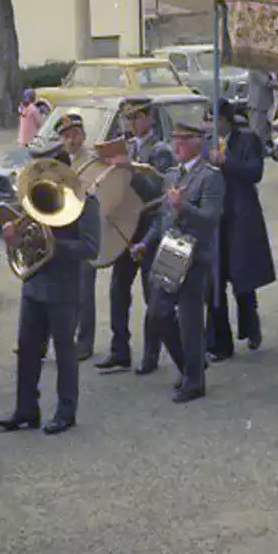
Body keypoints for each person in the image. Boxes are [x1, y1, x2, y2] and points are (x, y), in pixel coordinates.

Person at [0, 140, 101, 435]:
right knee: (27, 349)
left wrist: (54, 245)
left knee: (64, 351)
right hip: (34, 283)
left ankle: (66, 412)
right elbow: (27, 235)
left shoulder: (86, 201)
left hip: (64, 286)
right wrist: (14, 238)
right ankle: (26, 409)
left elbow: (91, 248)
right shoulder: (34, 195)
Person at [134, 121, 225, 404]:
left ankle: (194, 381)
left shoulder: (210, 177)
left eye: (183, 140)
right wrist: (145, 243)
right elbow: (161, 218)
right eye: (174, 140)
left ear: (198, 142)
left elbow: (210, 218)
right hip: (170, 250)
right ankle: (189, 365)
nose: (177, 146)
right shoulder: (173, 174)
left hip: (194, 252)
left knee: (190, 319)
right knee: (158, 313)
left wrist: (181, 206)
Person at [95, 97, 172, 374]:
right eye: (128, 119)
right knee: (118, 290)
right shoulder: (127, 146)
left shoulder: (160, 149)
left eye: (136, 117)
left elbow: (156, 188)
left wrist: (129, 169)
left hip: (149, 226)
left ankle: (151, 354)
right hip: (125, 228)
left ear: (149, 118)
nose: (131, 124)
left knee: (152, 294)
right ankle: (120, 350)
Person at [206, 103, 275, 359]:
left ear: (225, 120)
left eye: (213, 119)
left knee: (242, 279)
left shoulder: (247, 140)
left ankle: (250, 325)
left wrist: (227, 162)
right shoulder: (207, 144)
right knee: (214, 280)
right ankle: (219, 342)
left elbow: (254, 172)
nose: (209, 125)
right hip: (215, 218)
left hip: (239, 216)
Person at [53, 113, 101, 362]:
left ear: (83, 134)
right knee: (63, 290)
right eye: (66, 135)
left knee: (84, 291)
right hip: (63, 230)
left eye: (75, 134)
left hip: (83, 230)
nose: (71, 139)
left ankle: (85, 341)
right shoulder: (57, 160)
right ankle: (63, 337)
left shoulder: (92, 161)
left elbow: (93, 193)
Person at [246, 69, 276, 144]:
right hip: (257, 108)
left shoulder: (266, 71)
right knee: (258, 135)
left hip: (264, 108)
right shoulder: (256, 70)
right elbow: (268, 82)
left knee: (265, 135)